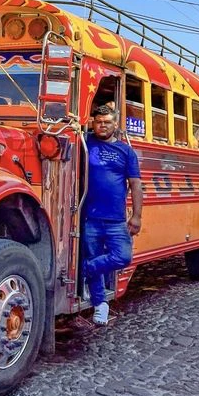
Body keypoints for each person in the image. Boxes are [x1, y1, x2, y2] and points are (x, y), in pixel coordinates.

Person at [81, 104, 143, 325]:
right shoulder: (85, 143)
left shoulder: (126, 151)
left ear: (115, 124)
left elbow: (135, 184)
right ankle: (100, 305)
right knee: (94, 256)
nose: (103, 125)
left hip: (116, 219)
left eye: (107, 122)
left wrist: (136, 216)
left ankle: (83, 271)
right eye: (98, 122)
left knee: (122, 256)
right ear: (93, 123)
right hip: (90, 216)